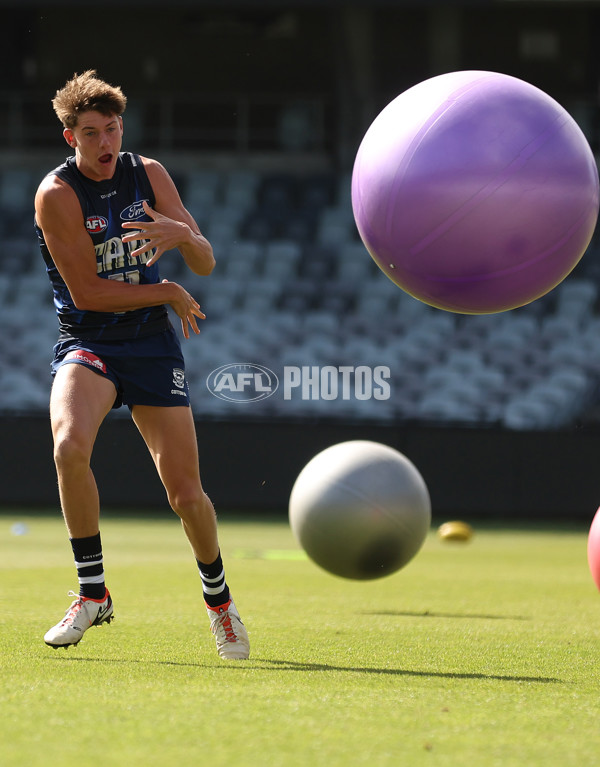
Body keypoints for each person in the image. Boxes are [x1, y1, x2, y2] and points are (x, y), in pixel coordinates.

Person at [34, 70, 249, 660]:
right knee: (68, 448)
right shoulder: (56, 195)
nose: (104, 143)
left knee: (185, 494)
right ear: (69, 139)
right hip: (91, 339)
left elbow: (204, 263)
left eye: (112, 129)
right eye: (90, 133)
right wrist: (168, 292)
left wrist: (182, 233)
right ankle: (92, 592)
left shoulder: (147, 173)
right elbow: (86, 293)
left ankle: (220, 605)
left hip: (152, 345)